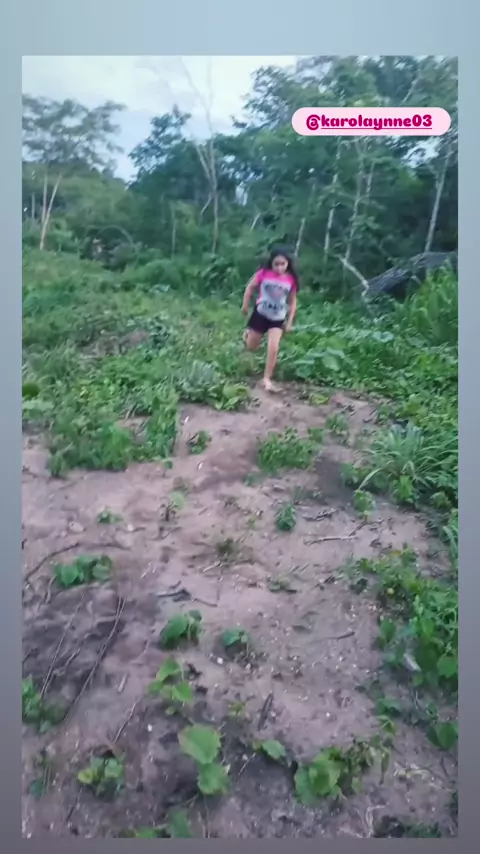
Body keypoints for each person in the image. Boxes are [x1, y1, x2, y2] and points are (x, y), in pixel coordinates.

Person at [242, 246, 299, 392]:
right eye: (276, 264)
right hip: (261, 313)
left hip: (278, 317)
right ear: (271, 263)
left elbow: (292, 302)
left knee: (274, 347)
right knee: (252, 347)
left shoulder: (291, 279)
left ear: (288, 263)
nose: (279, 268)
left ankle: (266, 378)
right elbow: (250, 288)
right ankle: (248, 333)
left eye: (283, 264)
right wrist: (245, 306)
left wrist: (289, 321)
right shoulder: (263, 274)